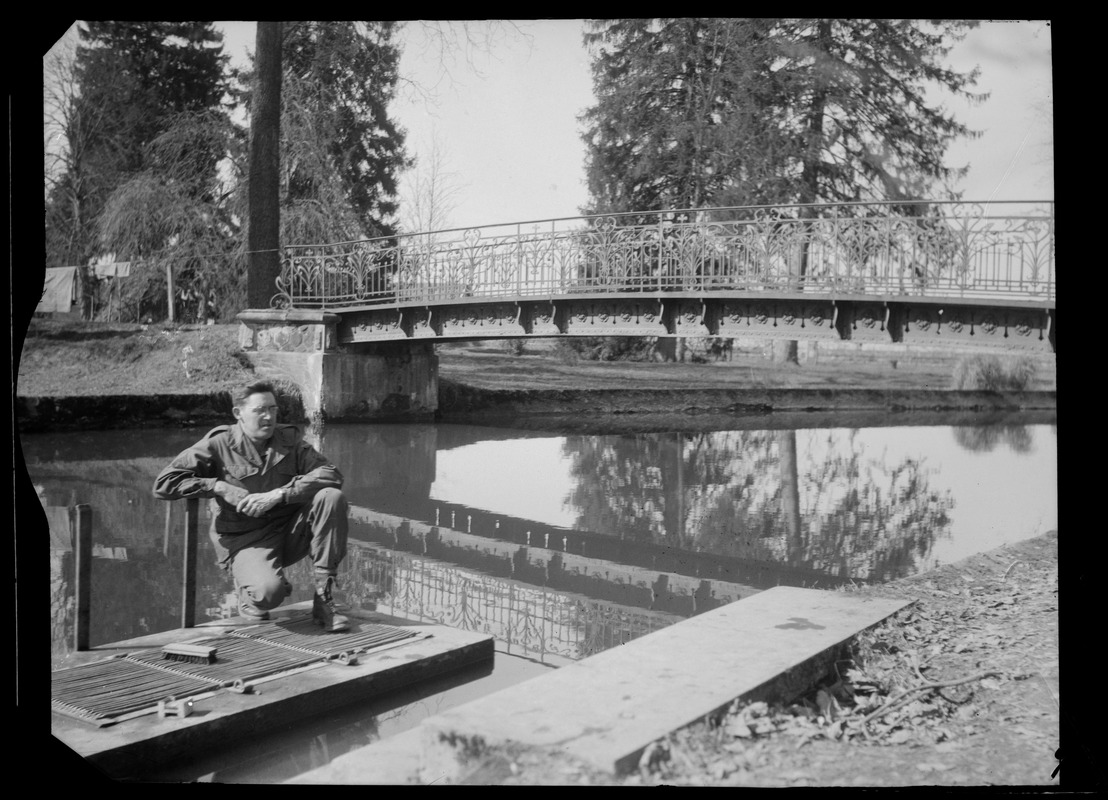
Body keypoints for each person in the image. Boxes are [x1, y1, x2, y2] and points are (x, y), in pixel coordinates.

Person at [153, 379, 349, 631]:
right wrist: (218, 486)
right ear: (239, 414)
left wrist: (280, 493)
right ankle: (251, 591)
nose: (269, 417)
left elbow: (332, 474)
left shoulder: (288, 440)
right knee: (268, 595)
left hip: (289, 531)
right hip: (245, 538)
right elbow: (164, 483)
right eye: (260, 410)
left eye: (273, 409)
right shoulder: (218, 443)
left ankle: (325, 600)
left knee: (331, 497)